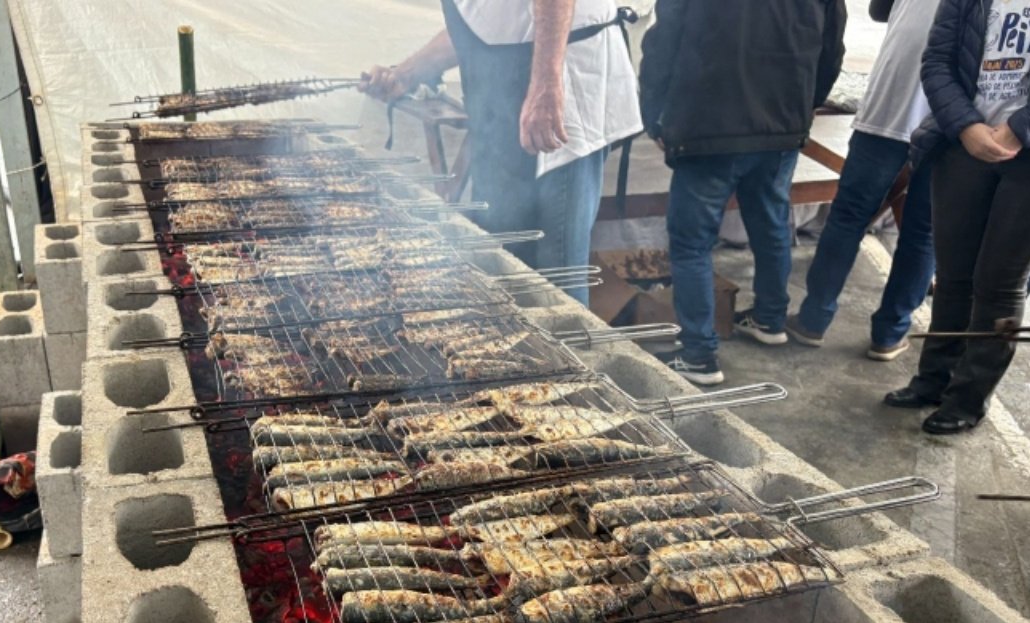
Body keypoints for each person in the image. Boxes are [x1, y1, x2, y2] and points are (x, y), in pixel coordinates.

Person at [884, 0, 1030, 435]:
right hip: (965, 144)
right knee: (954, 275)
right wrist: (965, 125)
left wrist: (1022, 127)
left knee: (999, 283)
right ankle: (932, 381)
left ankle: (968, 399)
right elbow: (938, 60)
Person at [359, 0, 642, 307]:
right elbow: (479, 22)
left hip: (564, 96)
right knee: (504, 258)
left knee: (557, 275)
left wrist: (546, 87)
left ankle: (566, 351)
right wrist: (406, 74)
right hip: (502, 108)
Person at [639, 0, 847, 386]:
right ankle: (770, 318)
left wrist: (653, 116)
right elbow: (832, 49)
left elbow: (662, 43)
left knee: (691, 243)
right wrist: (804, 106)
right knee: (770, 224)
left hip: (708, 127)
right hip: (781, 125)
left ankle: (698, 354)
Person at [785, 0, 942, 362]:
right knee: (923, 232)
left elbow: (879, 9)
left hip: (890, 107)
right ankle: (889, 333)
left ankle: (813, 320)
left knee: (848, 217)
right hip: (947, 118)